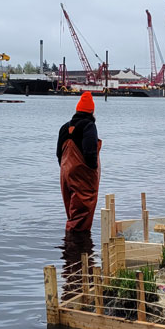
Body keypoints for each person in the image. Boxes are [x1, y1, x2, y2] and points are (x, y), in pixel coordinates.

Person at [57, 91, 101, 232]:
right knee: (82, 217)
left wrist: (66, 169)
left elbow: (59, 154)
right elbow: (90, 153)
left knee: (73, 215)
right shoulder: (88, 126)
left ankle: (69, 249)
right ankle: (78, 249)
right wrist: (91, 170)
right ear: (92, 111)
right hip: (82, 177)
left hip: (65, 175)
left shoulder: (64, 127)